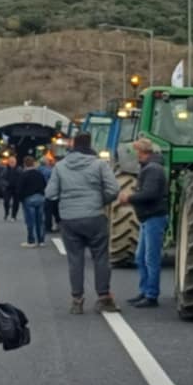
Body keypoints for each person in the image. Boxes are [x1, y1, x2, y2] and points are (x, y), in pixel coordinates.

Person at [47, 132, 119, 314]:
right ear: (90, 144)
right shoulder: (99, 164)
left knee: (75, 260)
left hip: (70, 220)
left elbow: (50, 193)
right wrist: (100, 201)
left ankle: (77, 300)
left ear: (72, 145)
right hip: (95, 217)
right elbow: (114, 188)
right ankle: (103, 297)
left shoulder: (60, 166)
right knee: (101, 258)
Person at [118, 137, 168, 308]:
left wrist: (129, 197)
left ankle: (151, 294)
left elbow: (151, 193)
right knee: (140, 257)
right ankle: (145, 290)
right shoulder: (150, 168)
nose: (135, 156)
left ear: (143, 152)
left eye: (137, 152)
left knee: (150, 258)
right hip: (147, 217)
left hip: (154, 217)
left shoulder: (153, 170)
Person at [15, 155, 49, 245]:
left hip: (29, 199)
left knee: (31, 221)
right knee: (40, 220)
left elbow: (19, 189)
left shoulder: (24, 175)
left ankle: (32, 240)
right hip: (40, 198)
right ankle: (41, 240)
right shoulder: (39, 174)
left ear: (25, 164)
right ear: (33, 163)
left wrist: (20, 199)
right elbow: (45, 185)